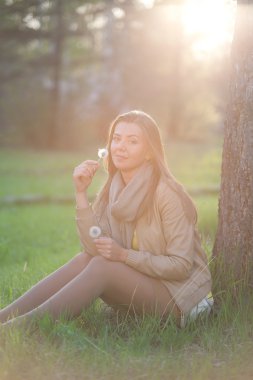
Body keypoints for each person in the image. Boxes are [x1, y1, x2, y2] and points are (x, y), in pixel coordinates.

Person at [0, 110, 212, 329]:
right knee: (84, 260)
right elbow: (94, 247)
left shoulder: (166, 193)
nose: (120, 146)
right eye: (116, 139)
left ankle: (15, 330)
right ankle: (3, 317)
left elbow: (181, 266)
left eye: (132, 141)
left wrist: (124, 255)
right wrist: (81, 194)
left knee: (103, 267)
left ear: (149, 152)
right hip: (142, 285)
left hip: (180, 300)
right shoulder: (114, 188)